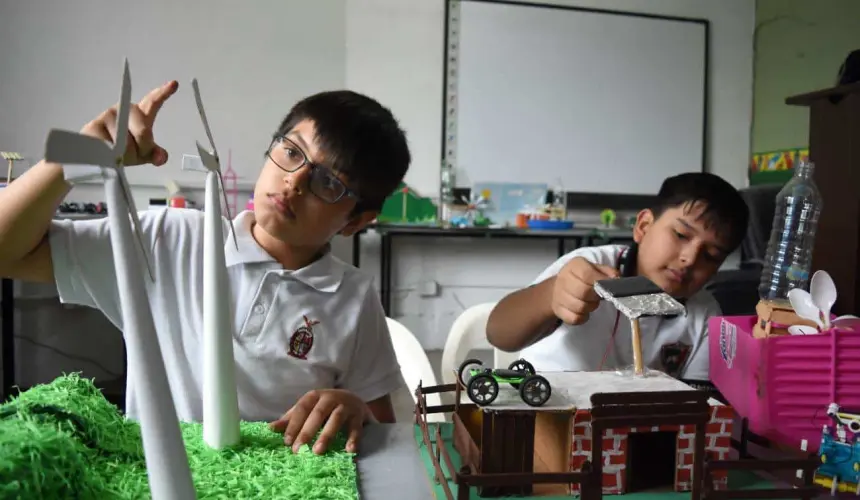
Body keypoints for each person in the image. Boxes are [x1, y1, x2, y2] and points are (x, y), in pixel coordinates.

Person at [0, 80, 411, 455]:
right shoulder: (168, 240)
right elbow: (8, 253)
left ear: (356, 221)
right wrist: (72, 161)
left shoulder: (353, 298)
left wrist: (356, 410)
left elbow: (383, 429)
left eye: (328, 182)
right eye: (291, 151)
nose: (294, 182)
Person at [486, 172, 749, 381]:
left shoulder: (705, 316)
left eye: (711, 255)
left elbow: (697, 401)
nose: (690, 259)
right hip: (547, 412)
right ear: (643, 226)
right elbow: (499, 334)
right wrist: (552, 295)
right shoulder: (588, 266)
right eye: (680, 235)